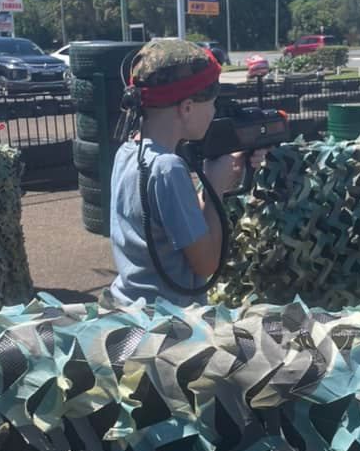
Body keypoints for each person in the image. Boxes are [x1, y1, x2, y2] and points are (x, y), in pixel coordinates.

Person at [108, 38, 263, 308]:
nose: (214, 112)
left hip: (131, 307)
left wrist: (222, 177)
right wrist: (215, 186)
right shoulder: (168, 168)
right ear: (187, 108)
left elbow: (176, 226)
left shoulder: (127, 153)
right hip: (169, 323)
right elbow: (206, 264)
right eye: (212, 104)